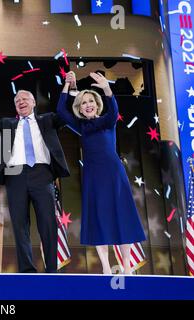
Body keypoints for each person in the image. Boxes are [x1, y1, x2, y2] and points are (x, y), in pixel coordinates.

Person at [57, 71, 146, 274]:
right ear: (79, 109)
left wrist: (107, 88)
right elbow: (61, 111)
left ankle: (126, 265)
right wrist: (66, 84)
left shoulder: (108, 120)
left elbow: (114, 109)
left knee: (122, 215)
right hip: (93, 177)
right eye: (83, 103)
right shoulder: (81, 126)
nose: (87, 105)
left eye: (90, 101)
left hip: (114, 174)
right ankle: (106, 266)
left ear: (97, 104)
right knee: (98, 217)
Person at [0, 90, 70, 273]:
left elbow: (66, 115)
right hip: (14, 175)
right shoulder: (6, 123)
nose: (21, 101)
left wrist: (68, 89)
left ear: (34, 102)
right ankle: (26, 270)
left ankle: (51, 269)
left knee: (48, 223)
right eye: (17, 100)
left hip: (42, 174)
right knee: (19, 225)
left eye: (25, 98)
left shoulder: (47, 120)